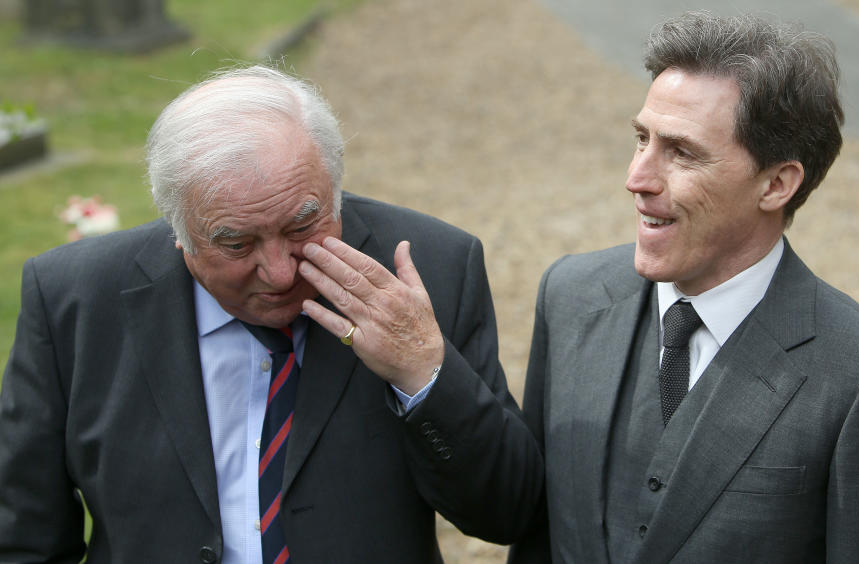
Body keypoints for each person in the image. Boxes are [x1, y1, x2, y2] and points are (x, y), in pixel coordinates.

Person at [0, 65, 543, 563]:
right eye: (236, 243)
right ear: (179, 232)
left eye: (302, 227)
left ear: (334, 191)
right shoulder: (73, 299)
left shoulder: (428, 273)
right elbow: (24, 537)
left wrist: (423, 372)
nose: (281, 272)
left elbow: (507, 514)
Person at [509, 11, 859, 563]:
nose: (637, 178)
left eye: (682, 152)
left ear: (776, 184)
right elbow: (533, 530)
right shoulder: (570, 297)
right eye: (641, 138)